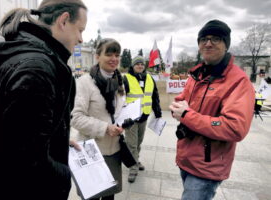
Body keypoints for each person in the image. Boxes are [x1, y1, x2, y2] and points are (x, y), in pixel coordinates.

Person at [0, 1, 87, 200]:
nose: (81, 39)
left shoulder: (35, 59)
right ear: (63, 21)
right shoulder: (36, 69)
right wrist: (64, 172)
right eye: (80, 30)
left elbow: (24, 135)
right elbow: (28, 158)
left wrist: (58, 139)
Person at [169, 19, 255, 200]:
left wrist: (186, 115)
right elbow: (182, 99)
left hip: (207, 167)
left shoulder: (238, 81)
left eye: (215, 39)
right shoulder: (197, 73)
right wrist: (177, 107)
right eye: (203, 39)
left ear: (226, 45)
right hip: (186, 157)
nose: (208, 43)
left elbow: (234, 128)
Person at [71, 38, 125, 200]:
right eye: (109, 54)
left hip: (114, 150)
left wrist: (125, 123)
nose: (114, 59)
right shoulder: (84, 83)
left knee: (109, 196)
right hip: (91, 152)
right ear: (97, 56)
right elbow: (75, 118)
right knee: (92, 196)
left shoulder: (119, 81)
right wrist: (105, 128)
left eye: (117, 55)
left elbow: (119, 112)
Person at [123, 55, 162, 183]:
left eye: (141, 64)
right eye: (137, 64)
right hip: (130, 119)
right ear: (133, 66)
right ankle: (133, 167)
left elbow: (154, 96)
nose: (140, 66)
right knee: (131, 143)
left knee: (138, 142)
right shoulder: (126, 79)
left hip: (144, 116)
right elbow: (120, 99)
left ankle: (136, 160)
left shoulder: (150, 78)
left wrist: (158, 112)